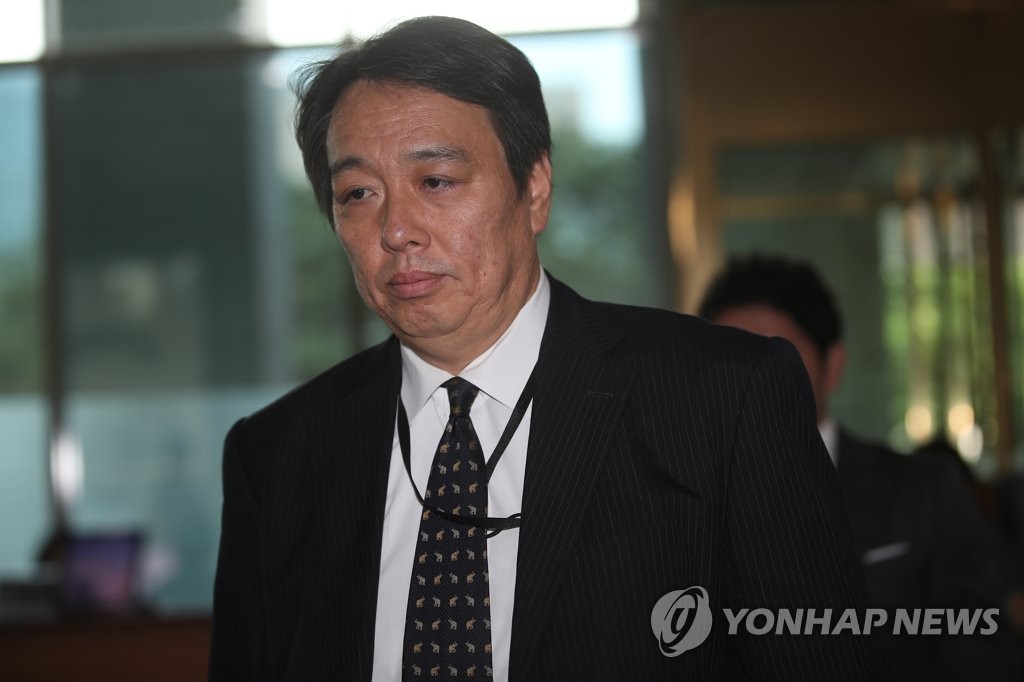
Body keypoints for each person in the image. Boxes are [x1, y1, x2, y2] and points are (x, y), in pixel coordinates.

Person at [209, 17, 883, 681]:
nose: (397, 229)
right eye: (358, 193)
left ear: (534, 189)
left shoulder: (722, 399)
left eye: (436, 181)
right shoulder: (276, 457)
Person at [699, 253, 1018, 681]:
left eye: (772, 363)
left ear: (831, 366)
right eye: (727, 365)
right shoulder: (681, 502)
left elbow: (982, 651)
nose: (747, 385)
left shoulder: (923, 491)